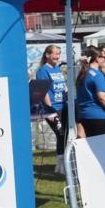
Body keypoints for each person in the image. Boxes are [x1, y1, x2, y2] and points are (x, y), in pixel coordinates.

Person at [36, 44, 68, 175]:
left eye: (59, 54)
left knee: (65, 134)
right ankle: (61, 164)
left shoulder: (57, 69)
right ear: (47, 55)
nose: (57, 56)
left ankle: (62, 164)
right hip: (52, 108)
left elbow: (62, 86)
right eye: (55, 53)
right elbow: (44, 92)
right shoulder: (43, 71)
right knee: (60, 134)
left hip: (63, 106)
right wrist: (50, 110)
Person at [74, 47, 105, 138]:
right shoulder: (97, 74)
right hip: (98, 116)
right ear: (97, 58)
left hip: (84, 115)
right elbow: (102, 97)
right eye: (103, 56)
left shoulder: (83, 73)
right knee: (101, 145)